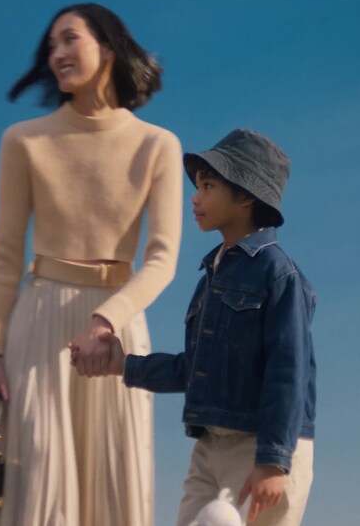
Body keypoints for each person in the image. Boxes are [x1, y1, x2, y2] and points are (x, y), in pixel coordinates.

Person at [0, 3, 182, 526]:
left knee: (115, 483)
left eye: (70, 39)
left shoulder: (158, 145)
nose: (57, 54)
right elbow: (5, 254)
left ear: (108, 47)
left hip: (117, 328)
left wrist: (106, 320)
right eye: (51, 46)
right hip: (40, 320)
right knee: (43, 482)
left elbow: (162, 259)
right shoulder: (22, 141)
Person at [94, 129, 317, 525]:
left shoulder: (279, 275)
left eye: (208, 186)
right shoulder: (210, 277)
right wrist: (124, 365)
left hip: (262, 447)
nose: (195, 198)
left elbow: (288, 372)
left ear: (246, 195)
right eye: (197, 186)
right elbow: (196, 367)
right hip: (210, 447)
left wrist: (273, 460)